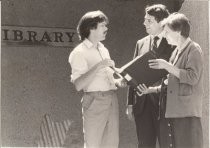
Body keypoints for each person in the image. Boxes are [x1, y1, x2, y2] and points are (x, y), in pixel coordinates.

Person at [138, 12, 203, 148]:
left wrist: (167, 66)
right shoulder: (176, 51)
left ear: (178, 32)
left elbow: (193, 77)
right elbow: (171, 82)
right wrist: (151, 90)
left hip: (185, 113)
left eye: (167, 32)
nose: (164, 35)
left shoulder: (193, 49)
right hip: (172, 110)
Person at [69, 10, 126, 148]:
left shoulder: (103, 49)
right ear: (91, 28)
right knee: (94, 144)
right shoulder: (79, 52)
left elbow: (104, 79)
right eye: (102, 26)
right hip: (95, 101)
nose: (106, 29)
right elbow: (78, 84)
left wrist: (119, 82)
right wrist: (99, 66)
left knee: (111, 144)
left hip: (111, 99)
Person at [126, 4, 175, 148]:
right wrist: (130, 103)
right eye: (145, 20)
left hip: (164, 105)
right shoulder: (140, 43)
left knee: (167, 144)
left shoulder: (173, 43)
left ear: (162, 22)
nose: (144, 23)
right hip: (142, 105)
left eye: (149, 21)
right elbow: (132, 73)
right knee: (144, 144)